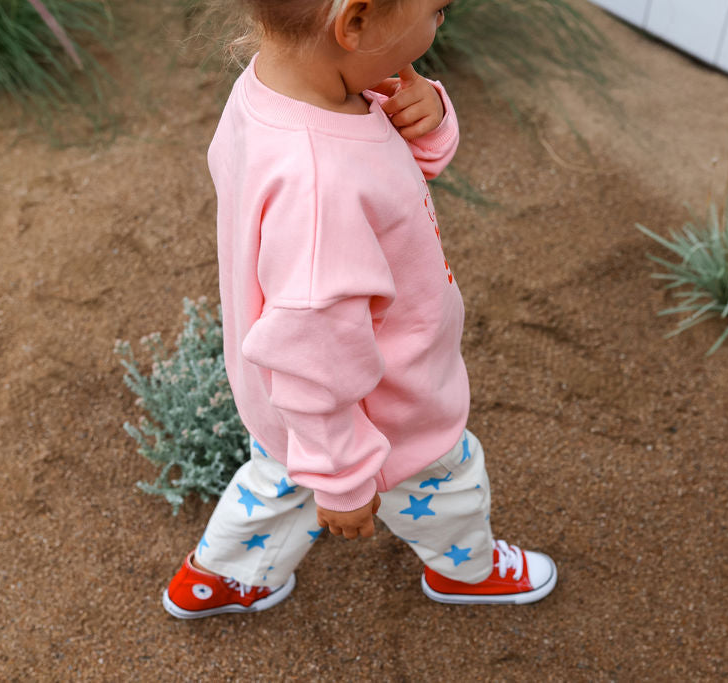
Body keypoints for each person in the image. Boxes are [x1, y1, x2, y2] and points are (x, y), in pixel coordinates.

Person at [162, 0, 557, 618]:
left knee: (282, 481)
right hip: (386, 409)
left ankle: (226, 577)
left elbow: (393, 172)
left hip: (289, 406)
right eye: (437, 10)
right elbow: (314, 352)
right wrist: (344, 475)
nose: (441, 23)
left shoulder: (278, 91)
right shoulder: (321, 188)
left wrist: (427, 119)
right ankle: (467, 570)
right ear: (354, 23)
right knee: (449, 488)